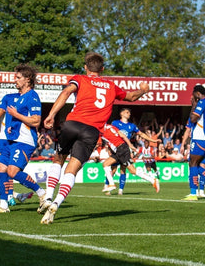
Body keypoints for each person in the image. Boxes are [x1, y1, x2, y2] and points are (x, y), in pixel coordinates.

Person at [39, 52, 150, 224]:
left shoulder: (80, 79)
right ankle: (56, 203)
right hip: (91, 132)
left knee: (58, 159)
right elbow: (132, 97)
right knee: (72, 170)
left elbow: (66, 92)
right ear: (102, 69)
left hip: (72, 124)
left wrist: (51, 114)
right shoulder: (111, 86)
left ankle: (48, 197)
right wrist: (143, 90)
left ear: (85, 67)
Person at [0, 64, 46, 213]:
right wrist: (11, 127)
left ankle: (41, 192)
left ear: (27, 80)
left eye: (18, 78)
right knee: (0, 168)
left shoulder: (32, 96)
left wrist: (16, 115)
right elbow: (20, 120)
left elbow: (36, 121)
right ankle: (3, 205)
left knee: (12, 172)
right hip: (13, 139)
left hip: (25, 141)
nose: (15, 80)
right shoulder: (20, 98)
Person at [110, 108, 161, 194]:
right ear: (121, 114)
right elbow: (110, 134)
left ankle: (120, 190)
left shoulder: (132, 126)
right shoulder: (115, 123)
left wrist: (153, 140)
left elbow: (141, 134)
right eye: (127, 112)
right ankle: (108, 187)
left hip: (124, 150)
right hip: (116, 149)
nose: (129, 114)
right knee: (113, 169)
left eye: (129, 112)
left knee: (124, 169)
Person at [100, 123, 159, 195]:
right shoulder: (111, 127)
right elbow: (123, 135)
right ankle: (111, 184)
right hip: (119, 150)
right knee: (105, 164)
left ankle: (153, 180)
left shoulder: (101, 130)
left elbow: (97, 141)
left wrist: (130, 146)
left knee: (132, 170)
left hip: (122, 150)